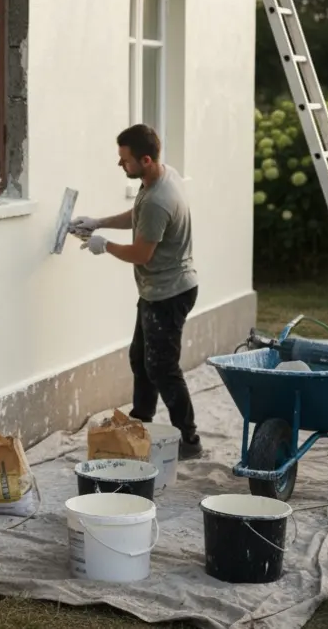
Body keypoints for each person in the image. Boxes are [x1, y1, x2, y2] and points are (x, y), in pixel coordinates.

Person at [70, 124, 203, 459]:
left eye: (125, 160)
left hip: (170, 294)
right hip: (157, 290)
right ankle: (141, 421)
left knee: (162, 368)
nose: (120, 165)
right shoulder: (159, 177)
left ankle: (189, 440)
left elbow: (142, 253)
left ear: (145, 159)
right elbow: (139, 215)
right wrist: (98, 222)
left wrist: (105, 245)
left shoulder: (161, 198)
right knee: (140, 359)